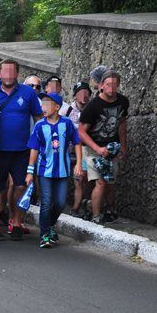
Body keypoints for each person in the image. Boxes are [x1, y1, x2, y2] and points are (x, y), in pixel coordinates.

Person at [0, 59, 42, 240]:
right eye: (5, 72)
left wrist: (40, 141)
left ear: (17, 74)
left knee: (21, 186)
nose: (8, 75)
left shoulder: (28, 93)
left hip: (22, 150)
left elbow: (38, 117)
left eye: (12, 72)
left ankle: (16, 221)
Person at [26, 92, 82, 248]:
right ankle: (44, 234)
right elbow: (34, 150)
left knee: (60, 202)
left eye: (47, 104)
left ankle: (49, 225)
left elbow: (76, 142)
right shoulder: (39, 126)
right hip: (44, 171)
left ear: (57, 107)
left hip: (63, 170)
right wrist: (30, 171)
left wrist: (78, 163)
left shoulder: (67, 123)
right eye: (42, 104)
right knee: (46, 202)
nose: (43, 107)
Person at [78, 70, 129, 224]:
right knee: (100, 181)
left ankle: (100, 207)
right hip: (93, 148)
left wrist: (123, 145)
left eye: (114, 85)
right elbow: (81, 132)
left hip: (111, 148)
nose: (111, 88)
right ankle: (96, 215)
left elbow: (121, 123)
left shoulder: (123, 101)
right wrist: (97, 148)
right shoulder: (92, 106)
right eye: (108, 85)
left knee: (109, 182)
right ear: (101, 85)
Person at [65, 81, 91, 217]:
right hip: (70, 151)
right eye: (80, 92)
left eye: (86, 92)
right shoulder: (68, 110)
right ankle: (75, 207)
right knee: (76, 179)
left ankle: (78, 207)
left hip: (86, 151)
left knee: (81, 179)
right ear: (75, 96)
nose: (84, 95)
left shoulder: (92, 110)